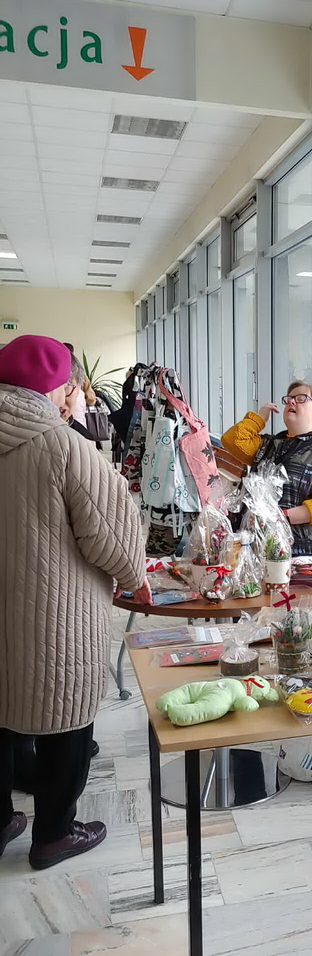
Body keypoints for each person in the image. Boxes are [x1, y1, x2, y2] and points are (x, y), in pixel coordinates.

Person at [0, 335, 147, 869]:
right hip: (54, 614)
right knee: (65, 715)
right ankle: (54, 834)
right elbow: (110, 531)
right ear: (51, 387)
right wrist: (134, 575)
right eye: (67, 385)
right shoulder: (63, 446)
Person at [222, 382, 312, 562]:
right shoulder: (268, 445)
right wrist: (259, 418)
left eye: (301, 398)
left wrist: (281, 518)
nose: (292, 402)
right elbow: (232, 440)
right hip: (262, 547)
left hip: (306, 554)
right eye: (289, 399)